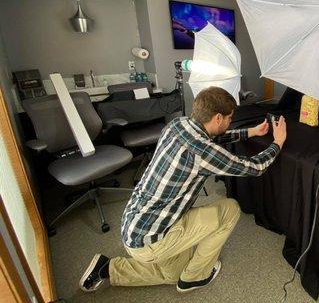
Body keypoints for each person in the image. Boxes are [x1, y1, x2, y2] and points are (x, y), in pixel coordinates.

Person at [79, 86, 287, 293]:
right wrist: (277, 142)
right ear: (217, 118)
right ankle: (195, 277)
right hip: (152, 240)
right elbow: (255, 167)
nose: (230, 121)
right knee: (230, 209)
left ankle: (107, 269)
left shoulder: (178, 125)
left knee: (171, 274)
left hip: (134, 227)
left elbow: (210, 139)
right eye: (229, 118)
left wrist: (250, 132)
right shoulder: (202, 152)